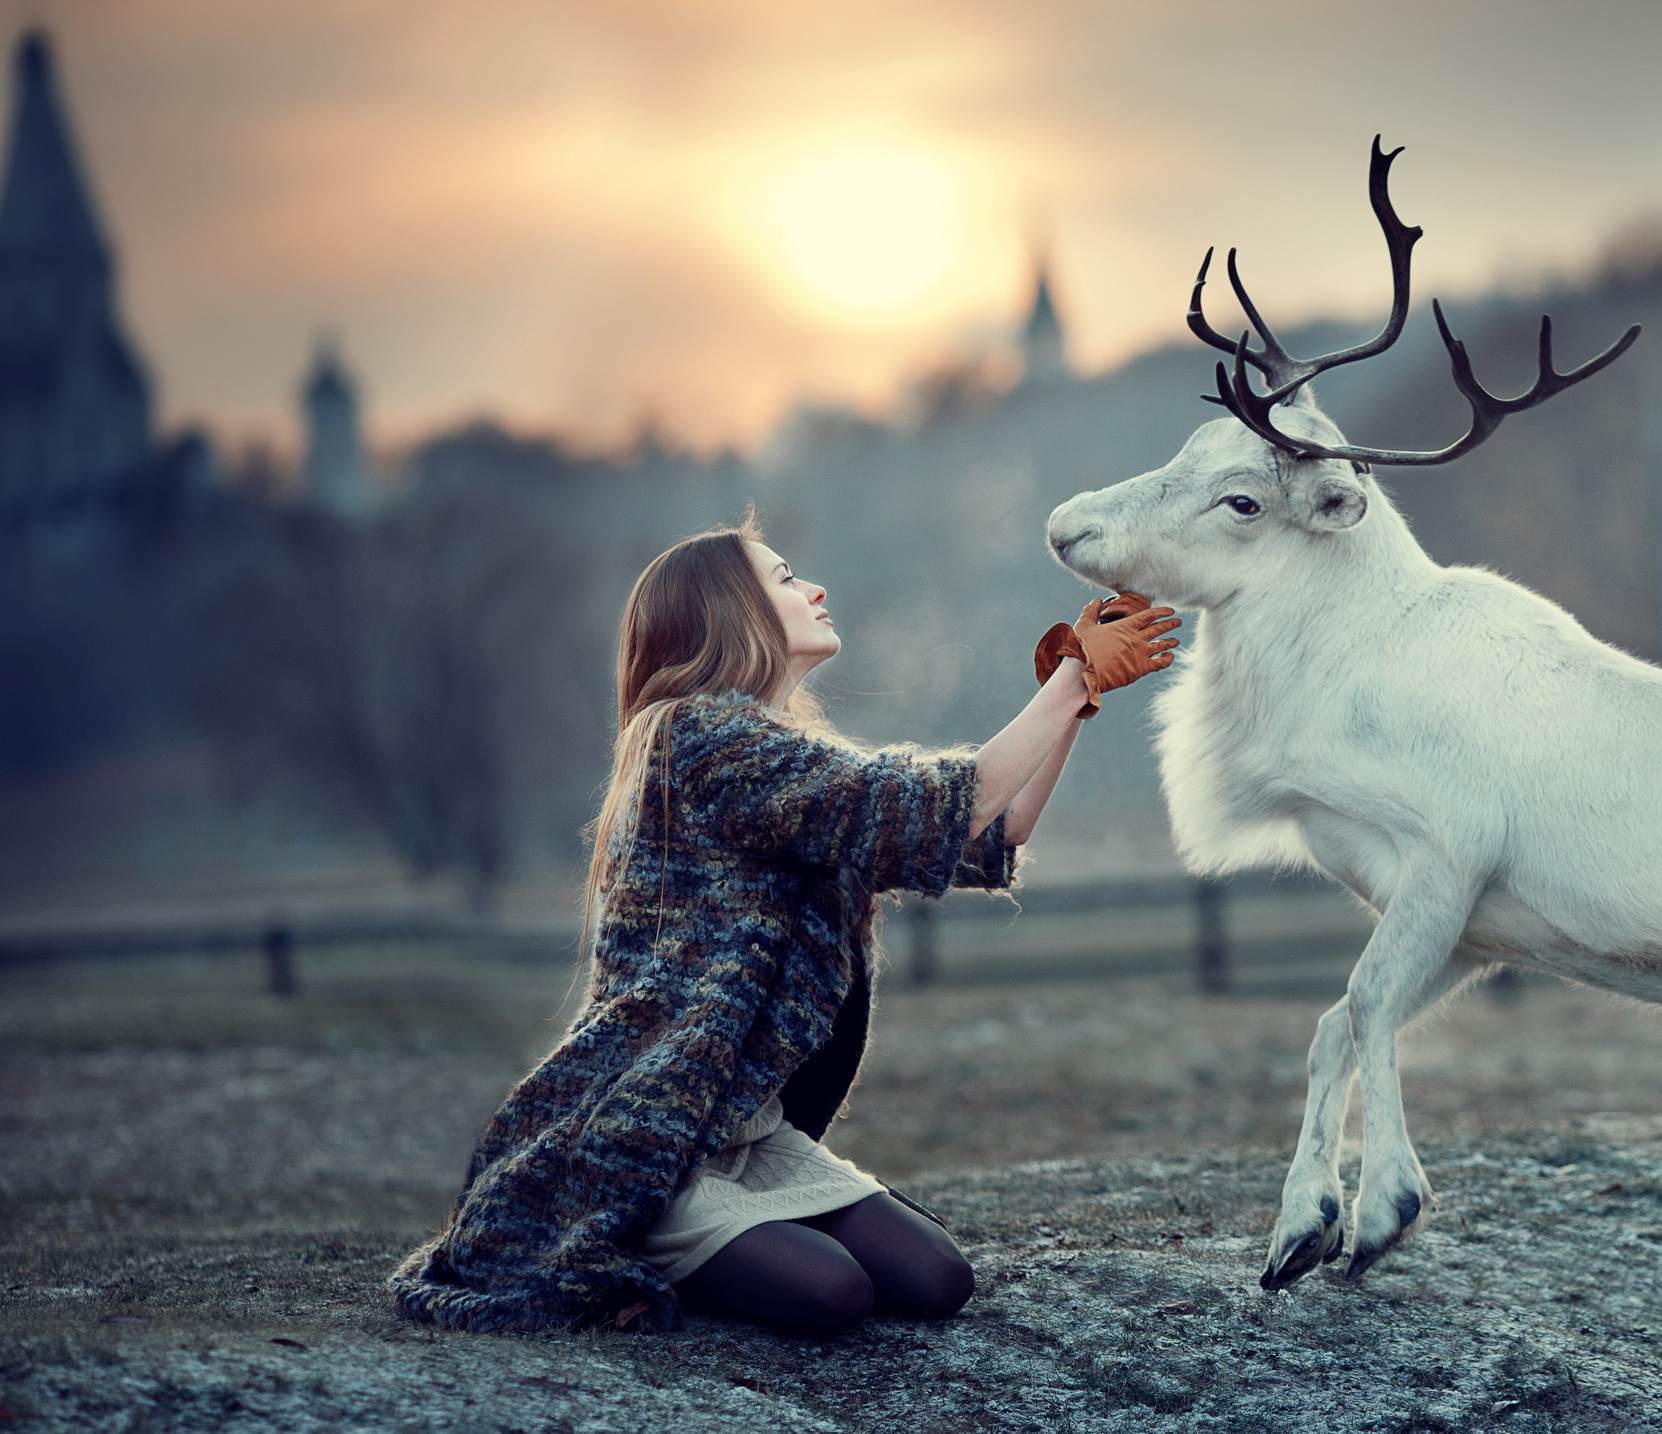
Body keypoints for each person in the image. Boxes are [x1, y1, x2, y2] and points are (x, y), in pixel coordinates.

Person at [387, 515, 1179, 1335]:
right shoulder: (698, 737)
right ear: (731, 611)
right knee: (832, 1296)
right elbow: (916, 805)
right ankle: (633, 1238)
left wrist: (1075, 693)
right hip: (666, 1136)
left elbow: (993, 828)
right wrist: (1067, 679)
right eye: (787, 578)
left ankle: (735, 1237)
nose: (815, 588)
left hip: (753, 1132)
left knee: (937, 1280)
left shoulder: (779, 748)